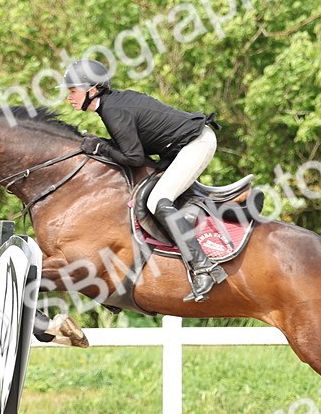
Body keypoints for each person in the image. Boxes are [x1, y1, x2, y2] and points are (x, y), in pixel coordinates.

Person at [61, 59, 226, 302]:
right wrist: (104, 145)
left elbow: (134, 158)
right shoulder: (112, 104)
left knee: (158, 201)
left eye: (73, 90)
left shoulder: (112, 110)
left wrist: (99, 146)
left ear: (92, 89)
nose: (69, 97)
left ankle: (205, 268)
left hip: (196, 143)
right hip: (178, 149)